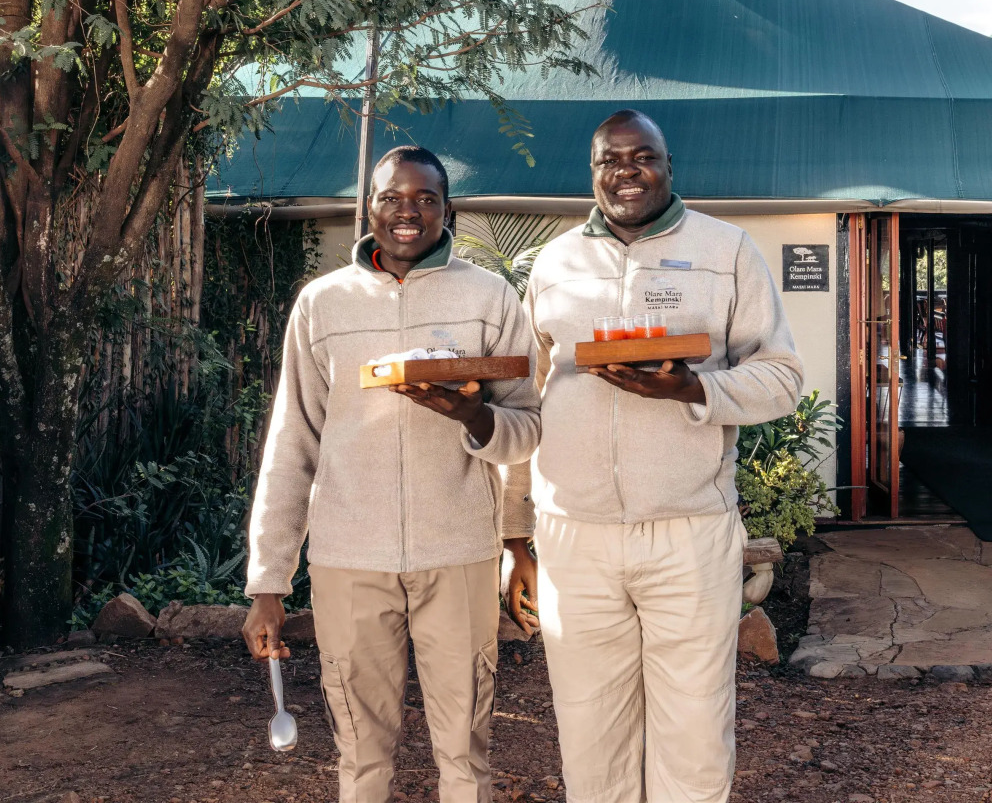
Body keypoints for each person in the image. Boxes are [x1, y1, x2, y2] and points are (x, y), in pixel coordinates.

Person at [518, 109, 804, 803]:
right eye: (609, 160)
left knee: (695, 724)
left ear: (668, 166)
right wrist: (512, 532)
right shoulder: (553, 264)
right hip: (573, 533)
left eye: (641, 156)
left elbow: (782, 378)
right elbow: (521, 403)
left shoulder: (726, 249)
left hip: (687, 530)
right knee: (588, 725)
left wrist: (691, 387)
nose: (625, 171)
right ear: (592, 172)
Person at [241, 145, 540, 803]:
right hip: (349, 560)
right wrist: (268, 581)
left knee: (464, 749)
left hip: (458, 553)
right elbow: (292, 442)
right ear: (367, 208)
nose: (408, 212)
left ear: (447, 210)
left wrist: (473, 416)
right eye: (391, 198)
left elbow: (528, 425)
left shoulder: (489, 297)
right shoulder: (322, 305)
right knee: (361, 752)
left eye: (425, 198)